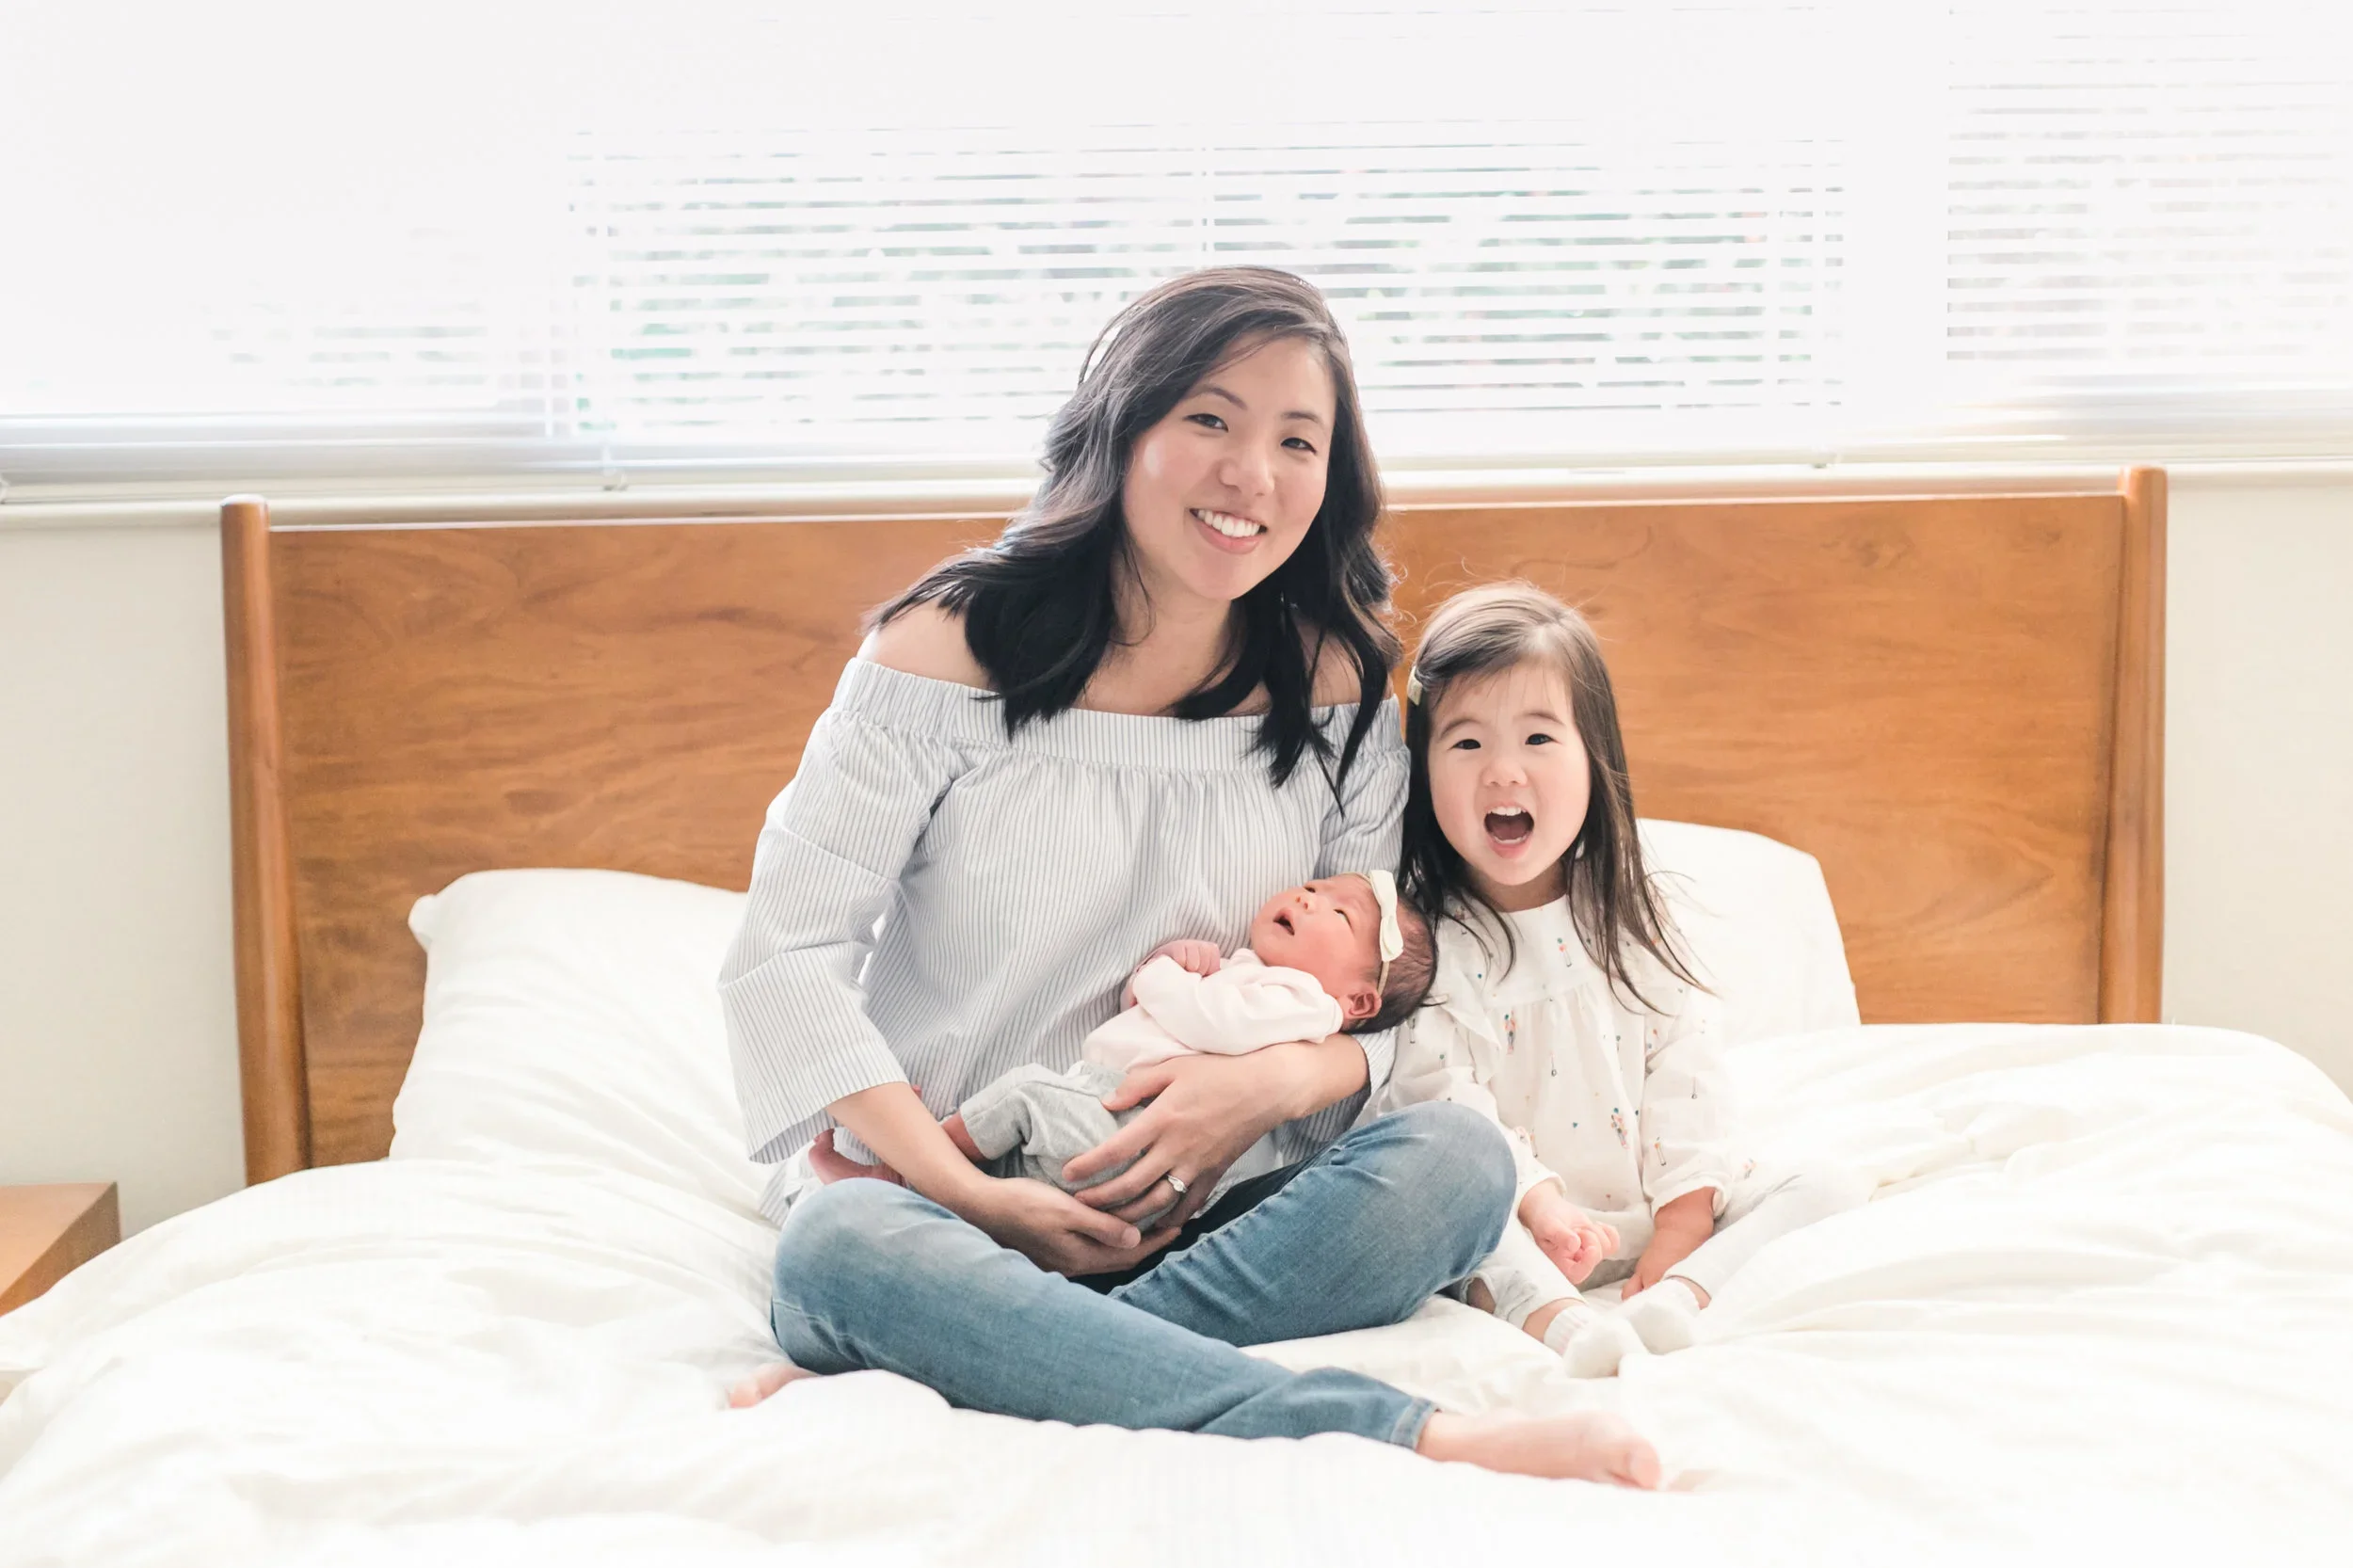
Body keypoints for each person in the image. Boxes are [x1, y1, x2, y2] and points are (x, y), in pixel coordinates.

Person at [720, 268, 1658, 1485]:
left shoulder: (1338, 682)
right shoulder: (940, 655)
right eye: (1210, 418)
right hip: (947, 1198)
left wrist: (1269, 1082)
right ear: (1121, 426)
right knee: (840, 1244)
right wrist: (970, 1193)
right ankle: (1419, 1432)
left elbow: (1386, 994)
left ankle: (983, 1353)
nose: (1251, 474)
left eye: (1297, 440)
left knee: (1459, 1164)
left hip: (1217, 1211)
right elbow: (785, 956)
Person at [1381, 583, 1870, 1375]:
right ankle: (1570, 1327)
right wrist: (1543, 1210)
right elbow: (1445, 1101)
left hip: (1654, 1214)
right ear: (1422, 768)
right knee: (1450, 1223)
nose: (1502, 771)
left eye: (1539, 738)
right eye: (1465, 743)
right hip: (1523, 1225)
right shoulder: (1427, 941)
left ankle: (1681, 1295)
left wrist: (1682, 1227)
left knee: (1827, 1183)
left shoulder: (1631, 917)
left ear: (1593, 755)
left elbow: (1686, 1066)